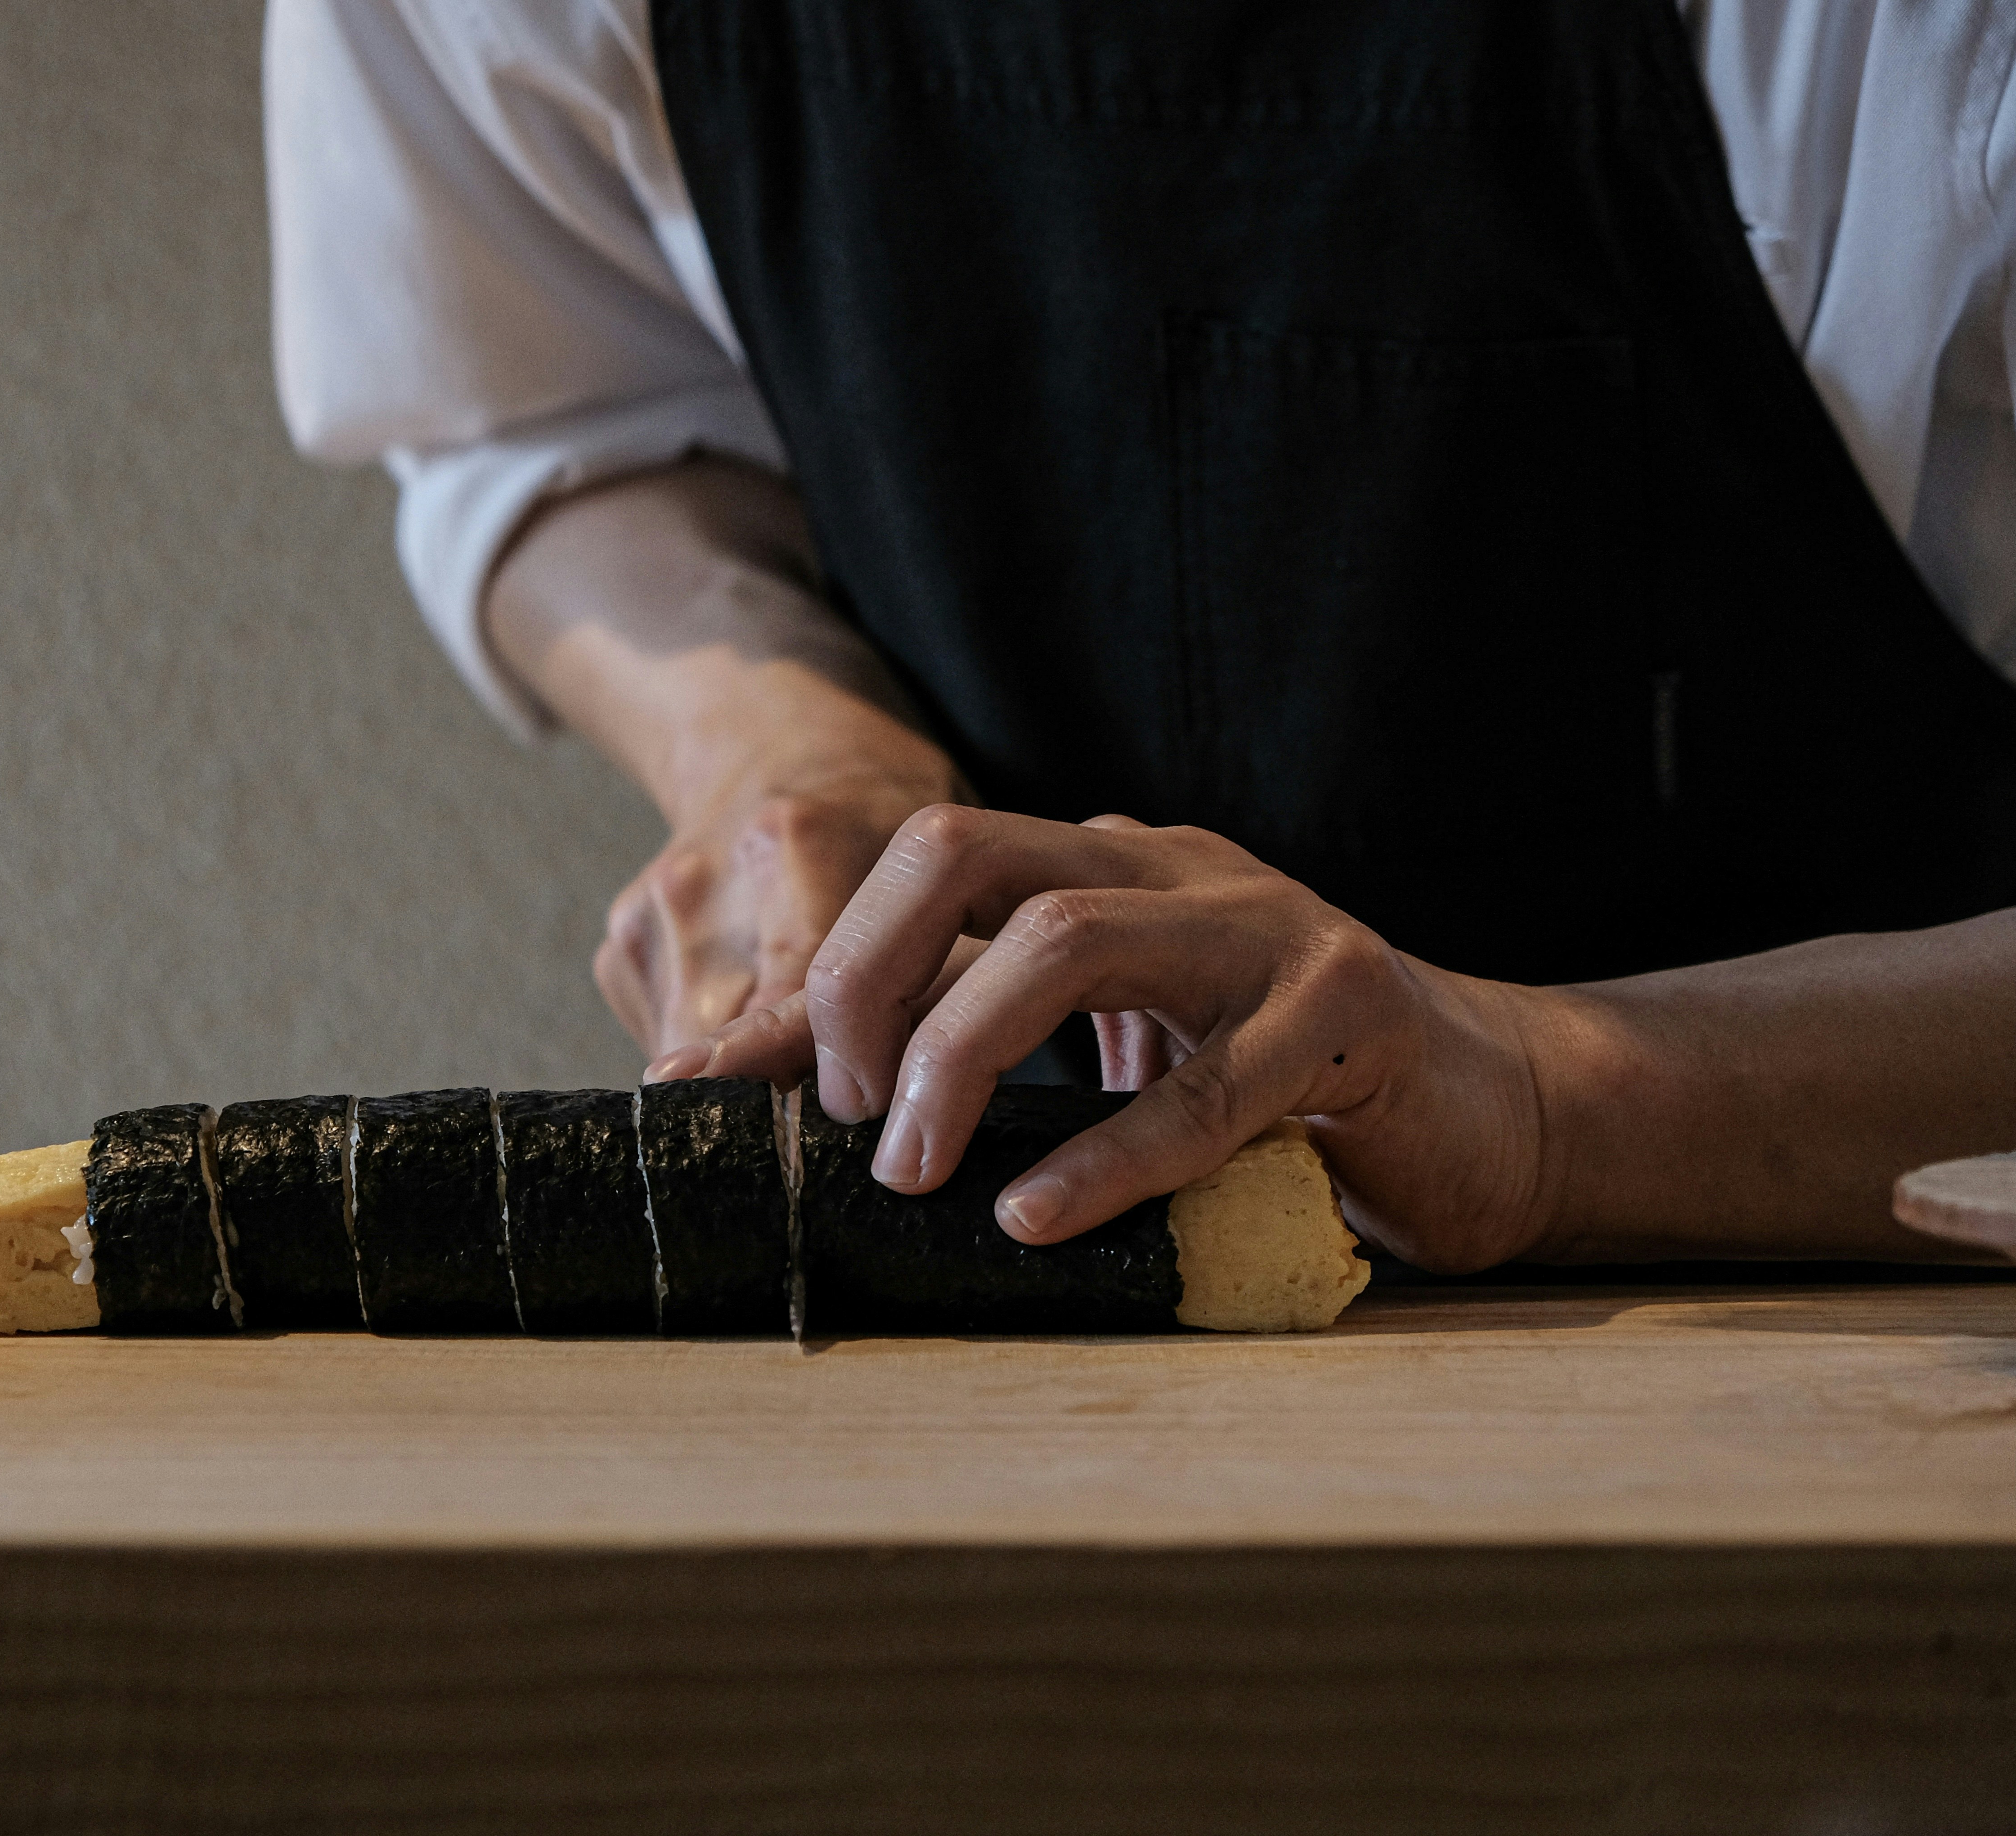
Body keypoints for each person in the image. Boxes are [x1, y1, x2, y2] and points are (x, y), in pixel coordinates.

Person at [265, 0, 2016, 1271]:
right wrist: (787, 750)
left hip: (1871, 1364)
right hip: (1039, 1320)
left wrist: (1544, 1096)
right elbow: (542, 416)